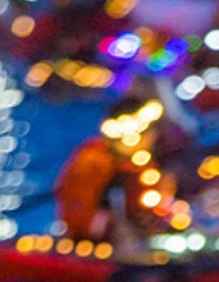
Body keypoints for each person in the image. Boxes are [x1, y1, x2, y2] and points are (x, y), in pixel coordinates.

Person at [53, 97, 165, 244]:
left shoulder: (143, 164)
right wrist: (112, 227)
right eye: (150, 130)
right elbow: (76, 214)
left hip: (135, 244)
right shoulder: (93, 161)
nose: (154, 136)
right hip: (93, 247)